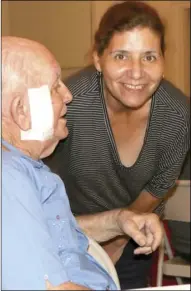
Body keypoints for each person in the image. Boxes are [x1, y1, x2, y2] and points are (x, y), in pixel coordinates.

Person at [44, 1, 190, 289]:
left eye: (149, 57)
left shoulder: (178, 115)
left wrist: (120, 236)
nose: (136, 73)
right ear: (98, 59)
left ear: (163, 61)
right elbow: (43, 179)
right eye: (121, 56)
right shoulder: (72, 103)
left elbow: (160, 185)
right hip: (68, 229)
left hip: (135, 233)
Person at [2, 36, 164, 290]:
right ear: (21, 110)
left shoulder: (22, 168)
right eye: (55, 87)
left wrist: (119, 220)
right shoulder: (7, 177)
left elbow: (52, 230)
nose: (68, 95)